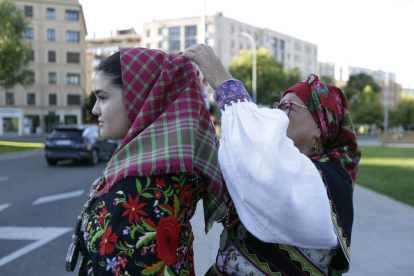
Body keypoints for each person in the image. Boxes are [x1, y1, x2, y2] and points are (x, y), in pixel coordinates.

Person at [181, 45, 361, 276]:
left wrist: (225, 84)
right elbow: (239, 158)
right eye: (278, 106)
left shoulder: (329, 178)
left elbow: (267, 168)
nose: (277, 114)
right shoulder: (285, 161)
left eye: (289, 107)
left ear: (320, 127)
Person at [65, 47, 229, 276]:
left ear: (140, 98)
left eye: (103, 97)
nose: (95, 109)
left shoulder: (140, 190)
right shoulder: (169, 171)